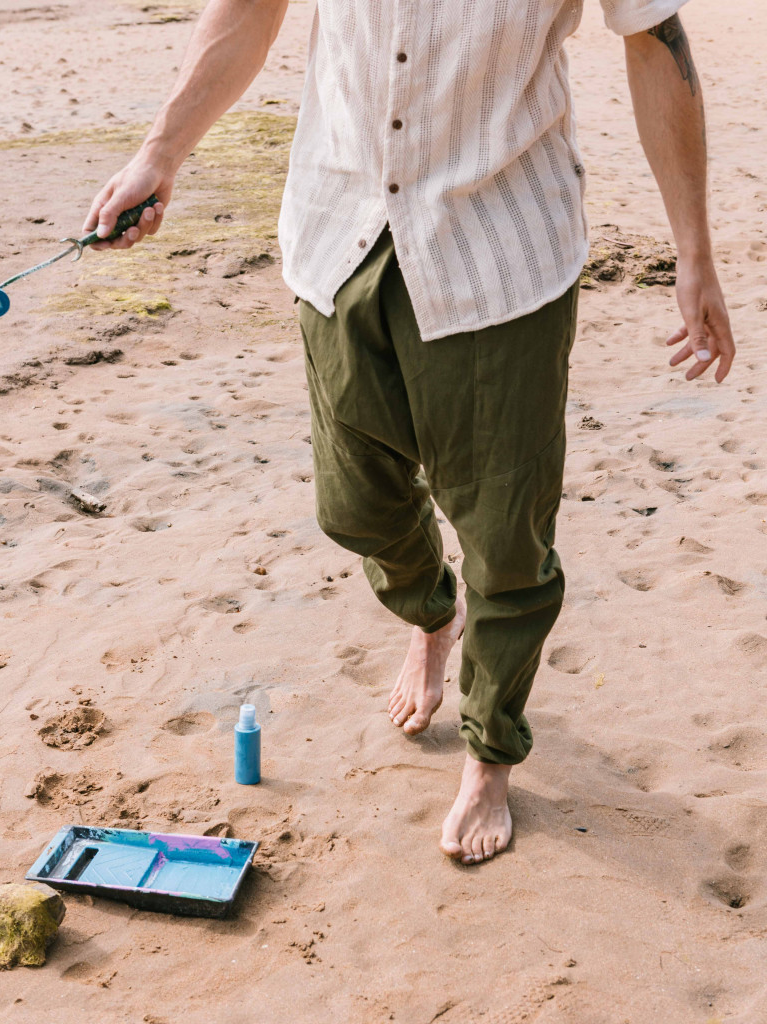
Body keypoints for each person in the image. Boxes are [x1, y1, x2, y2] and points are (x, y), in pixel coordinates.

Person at [85, 0, 736, 866]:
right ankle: (432, 613)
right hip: (336, 229)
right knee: (354, 507)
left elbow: (656, 43)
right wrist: (160, 152)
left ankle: (490, 750)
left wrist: (694, 254)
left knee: (506, 543)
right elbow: (250, 9)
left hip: (499, 249)